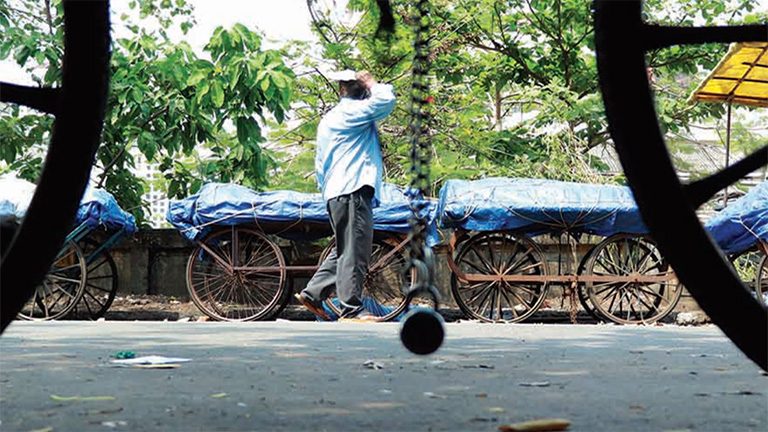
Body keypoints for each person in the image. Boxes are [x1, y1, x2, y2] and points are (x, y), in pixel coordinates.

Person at [294, 70, 396, 321]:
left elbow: (320, 165)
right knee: (355, 251)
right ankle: (351, 309)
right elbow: (386, 101)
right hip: (352, 189)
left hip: (336, 192)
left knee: (345, 248)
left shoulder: (330, 118)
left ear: (341, 89)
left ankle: (313, 293)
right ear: (361, 91)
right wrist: (373, 82)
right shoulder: (353, 112)